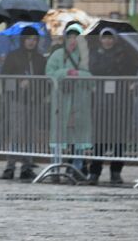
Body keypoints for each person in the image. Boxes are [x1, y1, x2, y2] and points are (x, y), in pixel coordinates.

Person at [87, 28, 138, 185]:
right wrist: (111, 63)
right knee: (99, 139)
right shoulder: (96, 54)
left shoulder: (124, 54)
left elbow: (130, 69)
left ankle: (116, 172)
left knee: (118, 139)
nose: (108, 41)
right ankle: (94, 172)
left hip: (120, 102)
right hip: (101, 102)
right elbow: (95, 69)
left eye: (110, 38)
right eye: (105, 38)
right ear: (101, 40)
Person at [0, 25, 46, 180]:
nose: (31, 42)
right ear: (23, 40)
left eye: (34, 39)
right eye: (28, 39)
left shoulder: (40, 58)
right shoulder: (13, 56)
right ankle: (10, 166)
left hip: (34, 101)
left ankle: (27, 166)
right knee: (16, 133)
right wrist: (19, 82)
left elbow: (45, 80)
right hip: (17, 100)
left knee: (30, 134)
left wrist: (38, 91)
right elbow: (5, 78)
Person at [46, 23, 92, 178]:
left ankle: (77, 167)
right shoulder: (57, 55)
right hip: (61, 102)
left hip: (79, 102)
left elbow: (91, 78)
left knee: (78, 135)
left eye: (76, 37)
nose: (73, 40)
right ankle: (55, 168)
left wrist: (77, 74)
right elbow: (49, 74)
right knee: (58, 135)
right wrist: (66, 72)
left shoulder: (84, 56)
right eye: (70, 36)